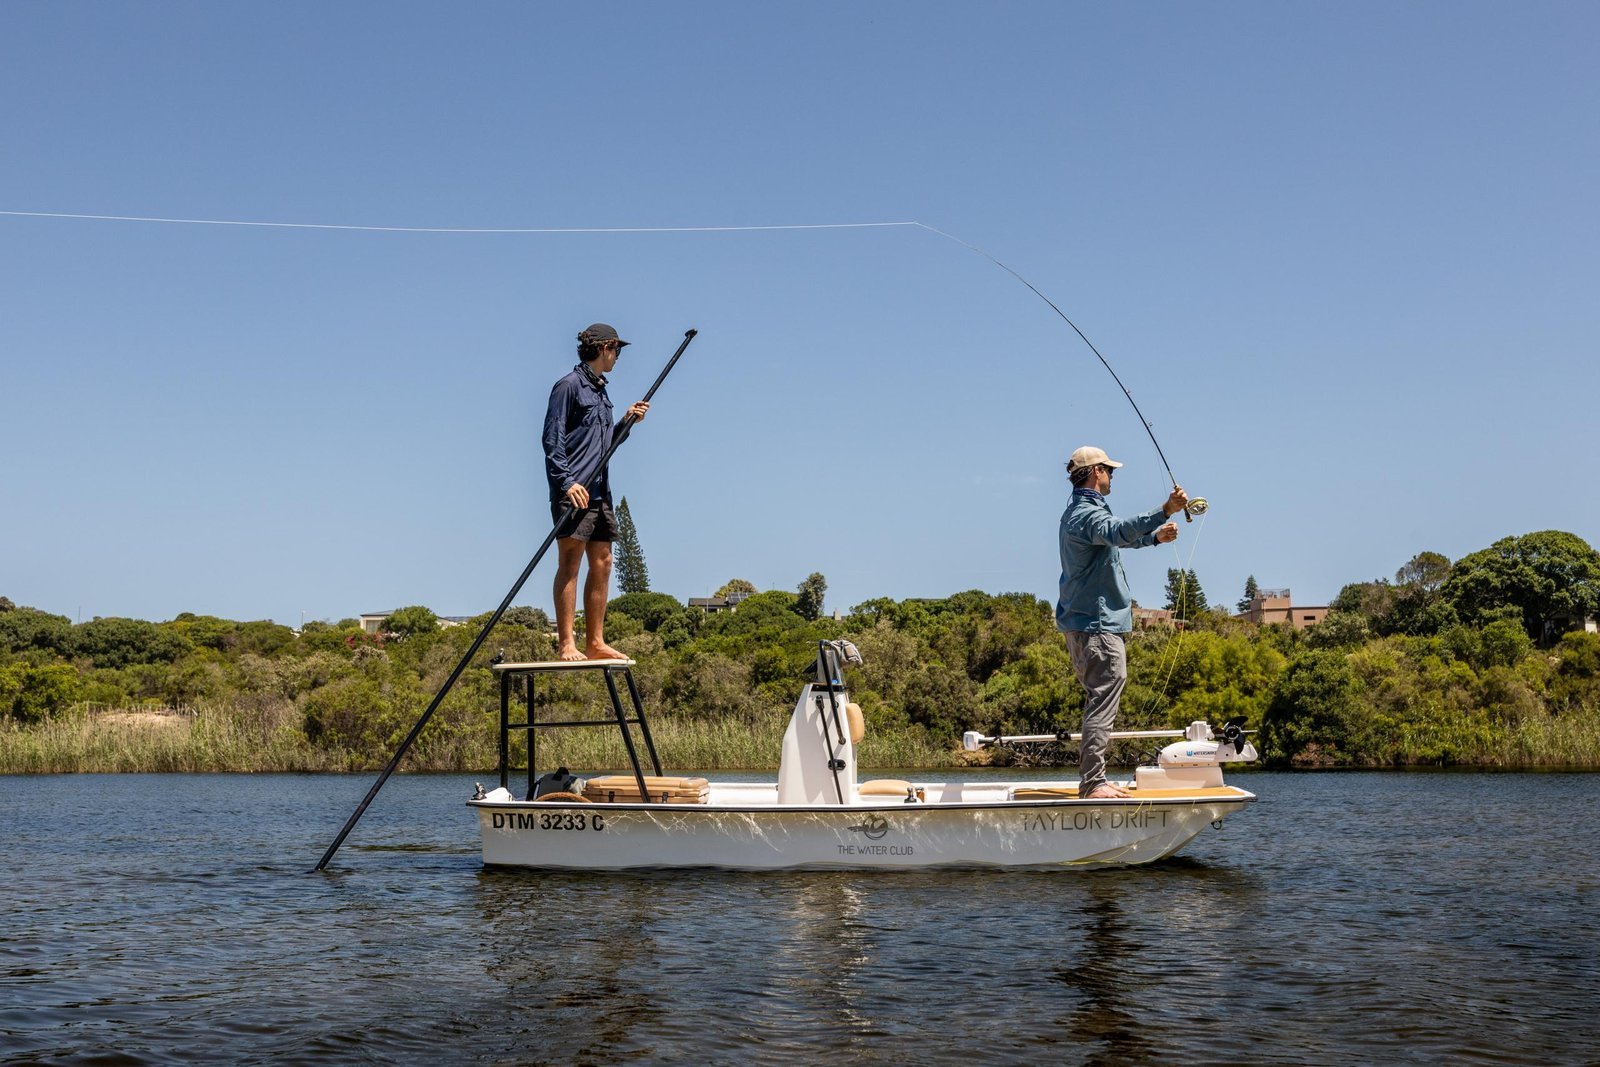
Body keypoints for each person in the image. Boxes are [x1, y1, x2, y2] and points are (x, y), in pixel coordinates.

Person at [1056, 445, 1188, 799]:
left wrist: (1154, 539)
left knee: (1098, 699)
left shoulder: (1081, 514)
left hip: (1085, 624)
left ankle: (1094, 779)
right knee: (1103, 698)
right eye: (1110, 470)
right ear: (1096, 471)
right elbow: (1116, 532)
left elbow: (1116, 539)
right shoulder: (1086, 514)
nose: (1113, 476)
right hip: (1097, 627)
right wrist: (1165, 510)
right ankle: (1094, 783)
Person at [542, 323, 650, 661]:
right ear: (605, 348)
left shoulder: (602, 392)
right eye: (617, 350)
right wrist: (567, 481)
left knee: (603, 561)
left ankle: (595, 642)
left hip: (600, 492)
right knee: (570, 563)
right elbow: (551, 440)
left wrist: (626, 423)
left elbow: (606, 445)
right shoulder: (568, 387)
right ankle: (566, 644)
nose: (618, 357)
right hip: (574, 491)